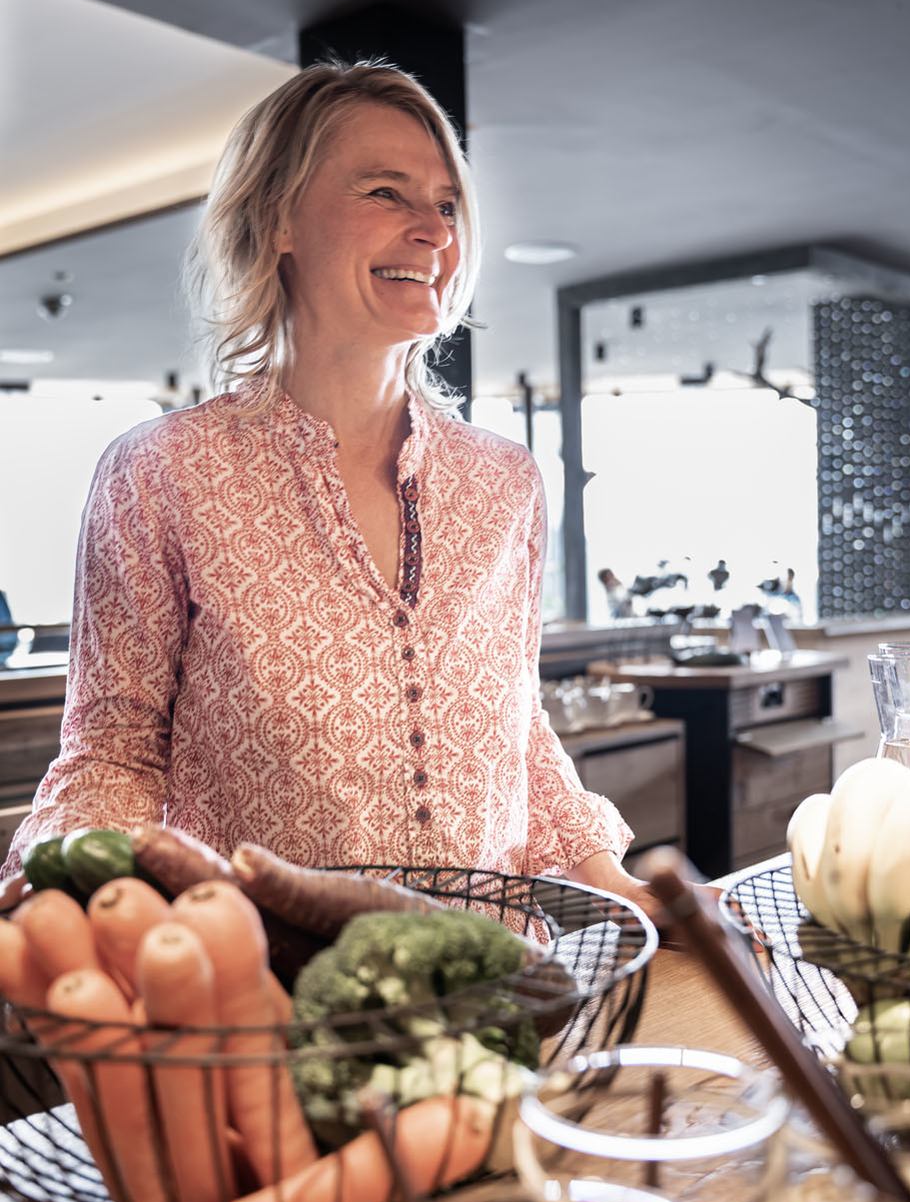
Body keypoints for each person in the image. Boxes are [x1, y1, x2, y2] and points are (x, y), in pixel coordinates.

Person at [0, 61, 655, 918]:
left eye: (447, 205)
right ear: (277, 219)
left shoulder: (506, 483)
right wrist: (63, 891)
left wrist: (626, 889)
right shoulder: (163, 473)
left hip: (496, 973)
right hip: (270, 976)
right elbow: (114, 752)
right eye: (385, 192)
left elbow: (518, 733)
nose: (434, 231)